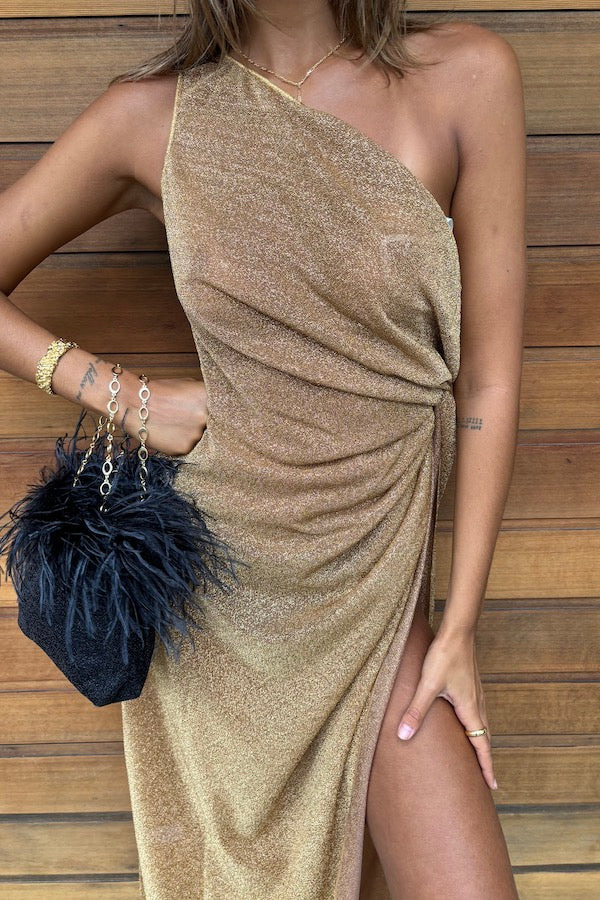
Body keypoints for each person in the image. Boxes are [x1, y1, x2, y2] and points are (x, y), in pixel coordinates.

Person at [0, 0, 526, 896]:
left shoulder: (465, 77)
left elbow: (488, 383)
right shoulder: (152, 117)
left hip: (379, 588)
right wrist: (122, 395)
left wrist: (461, 626)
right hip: (226, 595)